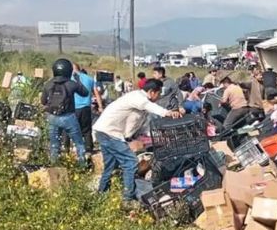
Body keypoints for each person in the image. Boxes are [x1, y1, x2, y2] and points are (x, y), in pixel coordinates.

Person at [93, 79, 181, 208]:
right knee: (131, 163)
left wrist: (161, 136)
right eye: (158, 94)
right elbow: (148, 106)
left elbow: (141, 127)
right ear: (151, 92)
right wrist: (167, 113)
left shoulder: (142, 105)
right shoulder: (137, 97)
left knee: (110, 166)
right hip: (110, 133)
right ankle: (128, 198)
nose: (159, 97)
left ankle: (101, 193)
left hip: (107, 132)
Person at [41, 59, 89, 165]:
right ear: (68, 70)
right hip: (68, 117)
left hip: (52, 117)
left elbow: (43, 101)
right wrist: (78, 80)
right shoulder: (71, 84)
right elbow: (85, 93)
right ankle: (82, 165)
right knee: (79, 143)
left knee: (54, 145)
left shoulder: (48, 84)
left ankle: (55, 167)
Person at [63, 63, 104, 155]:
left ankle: (66, 149)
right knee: (86, 130)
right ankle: (89, 148)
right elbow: (97, 94)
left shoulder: (69, 79)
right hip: (86, 108)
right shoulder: (89, 79)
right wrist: (100, 107)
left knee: (67, 129)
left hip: (73, 109)